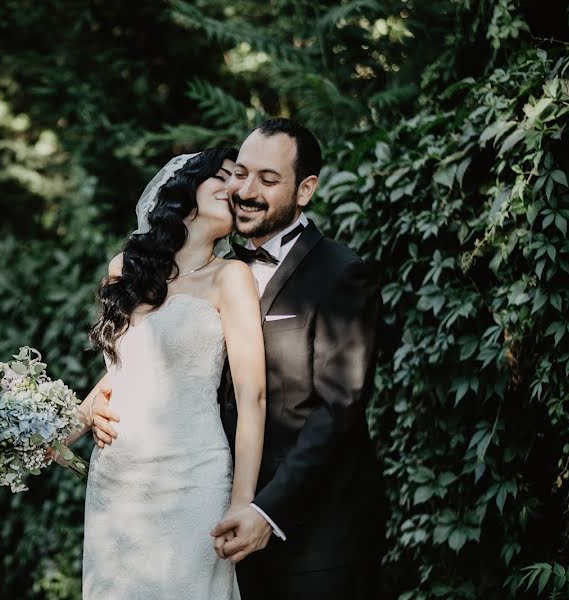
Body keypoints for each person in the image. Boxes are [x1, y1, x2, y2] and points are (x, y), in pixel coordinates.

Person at [92, 118, 386, 600]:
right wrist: (89, 408)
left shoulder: (340, 275)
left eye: (268, 180)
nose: (246, 190)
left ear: (304, 189)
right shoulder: (215, 270)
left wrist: (264, 510)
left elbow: (339, 411)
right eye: (240, 173)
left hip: (314, 539)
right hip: (206, 514)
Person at [61, 147, 266, 599]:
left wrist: (242, 502)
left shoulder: (230, 278)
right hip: (116, 482)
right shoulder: (124, 271)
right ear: (186, 189)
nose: (235, 188)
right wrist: (57, 433)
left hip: (192, 478)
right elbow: (121, 375)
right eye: (225, 175)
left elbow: (253, 397)